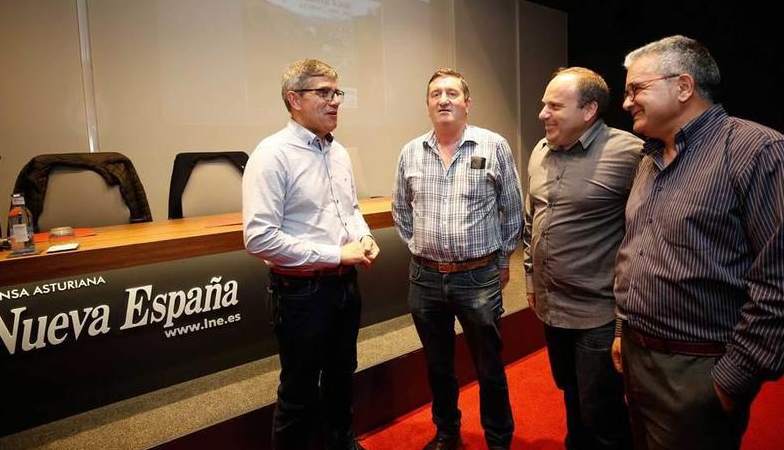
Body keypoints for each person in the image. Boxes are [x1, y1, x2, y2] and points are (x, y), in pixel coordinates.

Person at [612, 35, 784, 450]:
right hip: (638, 360)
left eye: (636, 89)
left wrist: (733, 380)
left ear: (683, 87)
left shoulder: (762, 153)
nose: (626, 102)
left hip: (699, 370)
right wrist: (624, 328)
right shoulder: (649, 160)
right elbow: (634, 251)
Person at [242, 58, 380, 450]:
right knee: (298, 393)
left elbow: (349, 208)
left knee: (341, 377)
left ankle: (341, 443)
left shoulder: (337, 152)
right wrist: (337, 254)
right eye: (323, 93)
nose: (334, 101)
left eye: (336, 92)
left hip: (344, 288)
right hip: (301, 293)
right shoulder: (272, 154)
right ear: (293, 99)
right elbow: (258, 238)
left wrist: (363, 236)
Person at [392, 68, 522, 450]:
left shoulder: (493, 145)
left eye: (452, 93)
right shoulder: (410, 152)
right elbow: (401, 210)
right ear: (427, 104)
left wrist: (501, 263)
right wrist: (420, 248)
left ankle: (499, 440)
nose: (443, 99)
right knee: (437, 366)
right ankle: (447, 434)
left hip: (478, 277)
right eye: (435, 94)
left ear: (467, 102)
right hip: (426, 279)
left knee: (489, 367)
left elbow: (512, 210)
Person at [523, 67, 640, 450]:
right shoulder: (541, 151)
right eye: (544, 104)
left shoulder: (630, 153)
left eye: (554, 105)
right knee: (570, 393)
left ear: (589, 110)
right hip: (551, 307)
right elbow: (531, 221)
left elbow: (646, 236)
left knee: (601, 409)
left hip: (599, 312)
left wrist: (626, 321)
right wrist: (530, 281)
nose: (542, 113)